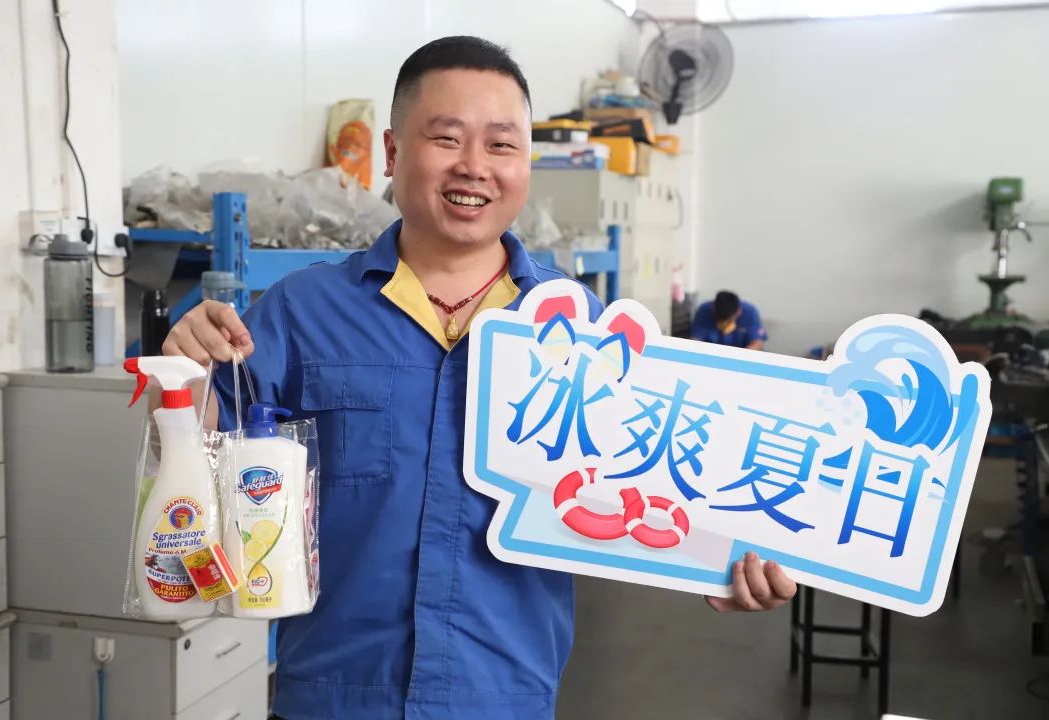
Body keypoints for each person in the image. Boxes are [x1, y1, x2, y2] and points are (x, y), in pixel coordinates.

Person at [160, 36, 796, 720]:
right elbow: (198, 474)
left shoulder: (585, 329)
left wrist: (717, 560)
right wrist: (186, 377)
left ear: (526, 162)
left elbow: (651, 480)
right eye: (446, 138)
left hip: (503, 697)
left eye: (501, 144)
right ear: (393, 152)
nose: (474, 166)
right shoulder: (302, 312)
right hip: (333, 697)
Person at [691, 290, 767, 350]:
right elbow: (695, 340)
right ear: (713, 309)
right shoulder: (704, 310)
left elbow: (757, 344)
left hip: (741, 354)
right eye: (720, 319)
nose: (724, 323)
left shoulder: (750, 312)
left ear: (738, 312)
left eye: (729, 320)